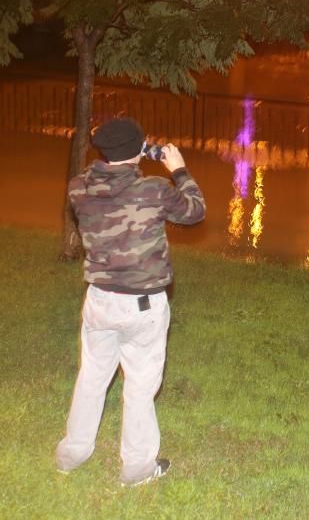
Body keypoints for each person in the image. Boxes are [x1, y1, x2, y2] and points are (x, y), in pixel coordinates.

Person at [56, 118, 205, 487]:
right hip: (143, 306)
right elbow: (195, 210)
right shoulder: (154, 190)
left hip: (99, 301)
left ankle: (71, 455)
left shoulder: (78, 188)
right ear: (139, 150)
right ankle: (137, 468)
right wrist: (179, 170)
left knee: (92, 377)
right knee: (139, 385)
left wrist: (134, 157)